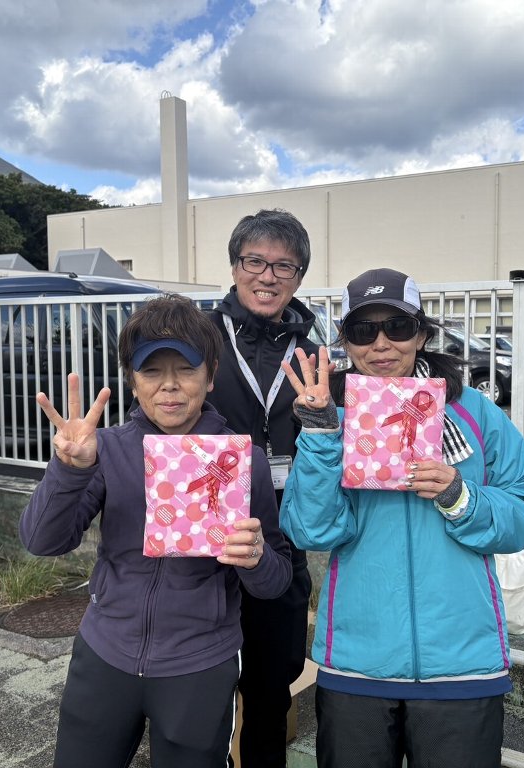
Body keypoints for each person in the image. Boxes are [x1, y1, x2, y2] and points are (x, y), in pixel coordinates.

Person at [278, 268, 524, 768]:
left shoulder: (472, 411)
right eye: (364, 331)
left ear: (421, 334)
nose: (381, 344)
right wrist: (318, 434)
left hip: (462, 663)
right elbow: (311, 529)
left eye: (397, 327)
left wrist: (460, 496)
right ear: (346, 342)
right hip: (358, 664)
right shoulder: (333, 417)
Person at [20, 294, 292, 768]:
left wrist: (256, 557)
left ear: (210, 376)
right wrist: (69, 470)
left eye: (186, 369)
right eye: (151, 371)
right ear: (132, 379)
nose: (169, 386)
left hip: (200, 663)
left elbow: (276, 579)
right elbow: (42, 541)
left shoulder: (241, 460)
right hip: (106, 652)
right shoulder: (104, 449)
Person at [205, 209, 319, 768]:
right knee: (201, 677)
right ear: (234, 267)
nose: (268, 277)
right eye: (255, 261)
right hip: (207, 533)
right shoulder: (201, 339)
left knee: (273, 676)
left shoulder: (314, 352)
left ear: (298, 278)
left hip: (282, 531)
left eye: (284, 266)